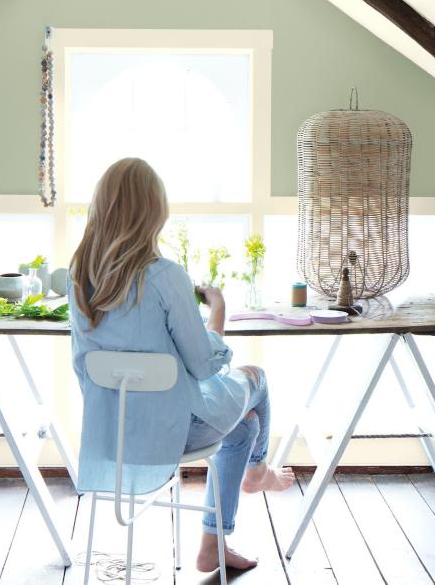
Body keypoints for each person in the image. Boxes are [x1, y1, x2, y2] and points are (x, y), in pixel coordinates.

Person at [68, 157, 294, 573]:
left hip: (110, 433)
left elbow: (83, 368)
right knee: (257, 380)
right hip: (171, 434)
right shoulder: (164, 276)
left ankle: (215, 541)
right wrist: (218, 307)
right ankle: (258, 470)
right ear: (154, 211)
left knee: (243, 428)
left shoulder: (79, 277)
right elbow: (206, 366)